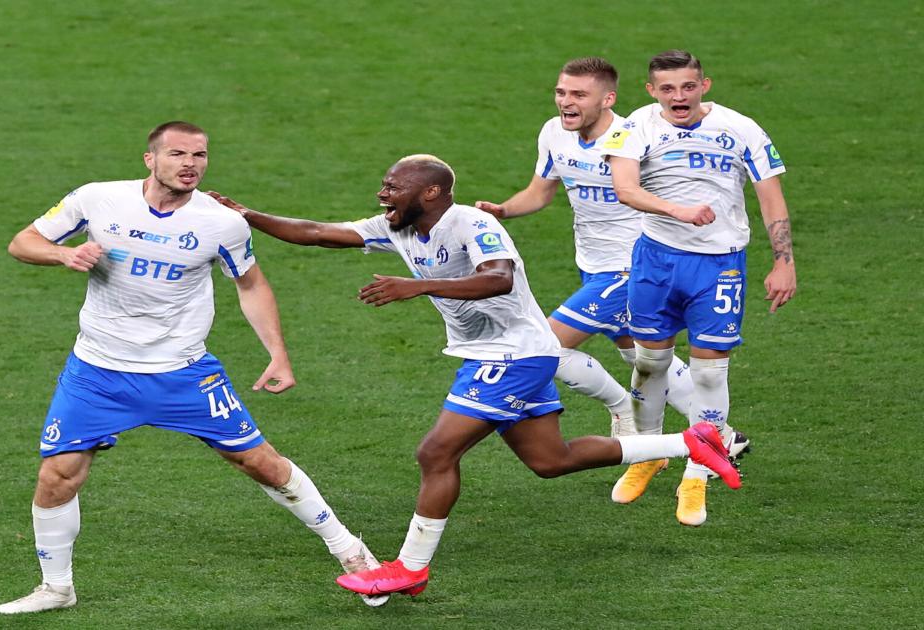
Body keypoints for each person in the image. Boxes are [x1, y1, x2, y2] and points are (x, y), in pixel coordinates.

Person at [209, 154, 742, 599]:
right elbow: (318, 233)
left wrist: (417, 287)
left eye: (394, 186)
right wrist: (247, 214)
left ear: (432, 192)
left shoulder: (471, 223)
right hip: (500, 354)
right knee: (550, 461)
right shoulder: (397, 226)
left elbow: (498, 279)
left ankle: (410, 568)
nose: (383, 194)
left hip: (514, 355)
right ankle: (690, 441)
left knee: (435, 453)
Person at [0, 121, 388, 614]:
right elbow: (23, 241)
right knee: (57, 476)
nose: (190, 164)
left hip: (182, 374)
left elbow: (250, 284)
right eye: (178, 154)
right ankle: (56, 588)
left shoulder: (221, 222)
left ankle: (353, 553)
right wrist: (63, 254)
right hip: (97, 372)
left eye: (199, 155)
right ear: (150, 159)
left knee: (260, 462)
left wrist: (278, 353)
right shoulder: (97, 199)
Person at [474, 57, 730, 505]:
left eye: (579, 94)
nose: (565, 102)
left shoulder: (635, 138)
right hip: (592, 264)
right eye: (561, 92)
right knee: (647, 359)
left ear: (607, 99)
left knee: (544, 346)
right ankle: (721, 436)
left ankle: (623, 412)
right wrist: (503, 210)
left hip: (634, 267)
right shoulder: (554, 132)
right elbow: (540, 191)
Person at [601, 50, 796, 526]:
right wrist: (680, 211)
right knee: (650, 363)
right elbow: (625, 189)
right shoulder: (635, 126)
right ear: (652, 91)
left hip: (719, 267)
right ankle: (649, 454)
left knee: (710, 373)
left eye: (688, 86)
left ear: (704, 85)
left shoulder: (741, 128)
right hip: (656, 261)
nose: (679, 96)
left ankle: (697, 473)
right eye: (668, 88)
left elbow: (770, 196)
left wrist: (784, 262)